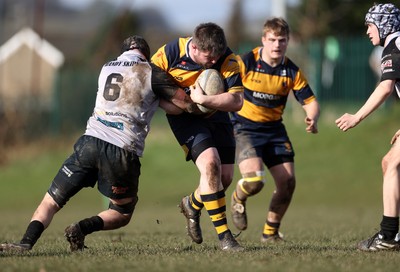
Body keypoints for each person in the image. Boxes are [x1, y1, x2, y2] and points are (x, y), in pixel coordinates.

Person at [0, 35, 196, 252]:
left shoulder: (106, 68)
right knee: (121, 213)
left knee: (51, 201)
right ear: (146, 54)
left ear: (123, 52)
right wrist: (203, 100)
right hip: (121, 150)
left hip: (89, 143)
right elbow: (184, 104)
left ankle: (25, 243)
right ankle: (81, 228)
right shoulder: (151, 71)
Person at [151, 22, 244, 251]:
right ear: (195, 48)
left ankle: (191, 204)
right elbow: (150, 81)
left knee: (224, 179)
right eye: (209, 57)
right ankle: (225, 238)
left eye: (217, 57)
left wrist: (204, 100)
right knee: (211, 164)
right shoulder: (170, 53)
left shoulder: (228, 59)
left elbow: (237, 101)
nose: (214, 62)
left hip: (217, 115)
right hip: (185, 118)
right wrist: (172, 104)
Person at [230, 17, 320, 243]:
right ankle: (238, 198)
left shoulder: (291, 71)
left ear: (288, 41)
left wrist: (312, 116)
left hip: (274, 130)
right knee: (254, 181)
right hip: (244, 128)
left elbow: (310, 101)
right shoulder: (246, 62)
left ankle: (270, 232)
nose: (277, 45)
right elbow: (225, 86)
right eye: (272, 40)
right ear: (263, 40)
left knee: (288, 182)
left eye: (282, 40)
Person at [336, 3, 400, 251]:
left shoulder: (393, 47)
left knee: (391, 163)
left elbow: (384, 88)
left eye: (370, 26)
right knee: (390, 163)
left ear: (384, 25)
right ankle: (390, 235)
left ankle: (388, 237)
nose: (367, 32)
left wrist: (356, 117)